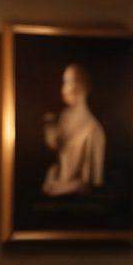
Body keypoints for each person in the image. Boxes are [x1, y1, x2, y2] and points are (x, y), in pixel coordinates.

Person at [41, 63, 106, 197]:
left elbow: (89, 183)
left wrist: (58, 188)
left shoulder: (94, 130)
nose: (63, 90)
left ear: (81, 87)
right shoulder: (63, 117)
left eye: (68, 82)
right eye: (64, 83)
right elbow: (56, 150)